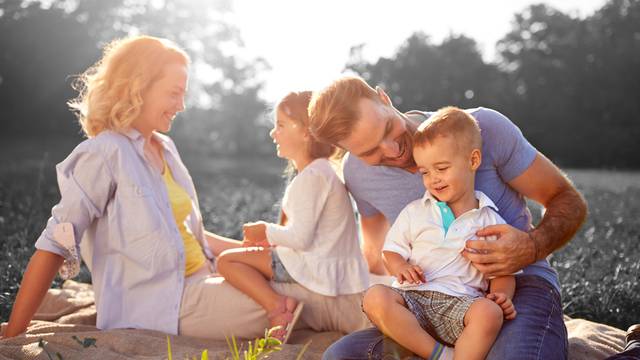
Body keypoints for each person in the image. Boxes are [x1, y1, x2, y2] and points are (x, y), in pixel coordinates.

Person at [1, 37, 369, 340]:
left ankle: (392, 305)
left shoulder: (165, 148)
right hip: (167, 302)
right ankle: (388, 313)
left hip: (204, 277)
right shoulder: (103, 153)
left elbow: (189, 236)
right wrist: (15, 332)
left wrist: (254, 249)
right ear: (138, 88)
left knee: (302, 282)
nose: (182, 105)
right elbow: (55, 244)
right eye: (174, 93)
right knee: (302, 296)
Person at [308, 76, 587, 359]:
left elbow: (567, 200)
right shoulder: (357, 173)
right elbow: (375, 252)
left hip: (516, 288)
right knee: (341, 356)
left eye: (388, 129)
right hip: (425, 298)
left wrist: (531, 246)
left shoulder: (482, 129)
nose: (393, 151)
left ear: (384, 98)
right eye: (369, 152)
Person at [362, 107, 516, 360]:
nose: (433, 179)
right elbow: (391, 251)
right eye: (425, 172)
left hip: (460, 305)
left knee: (489, 314)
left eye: (442, 168)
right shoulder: (415, 212)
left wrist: (501, 295)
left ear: (473, 160)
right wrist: (400, 266)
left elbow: (504, 271)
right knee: (375, 296)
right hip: (412, 300)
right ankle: (439, 355)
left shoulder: (489, 220)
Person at [216, 91, 369, 343]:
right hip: (325, 263)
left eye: (281, 125)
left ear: (306, 131)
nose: (273, 133)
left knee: (227, 262)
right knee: (245, 257)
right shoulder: (323, 171)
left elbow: (301, 238)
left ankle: (278, 307)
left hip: (313, 266)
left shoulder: (311, 178)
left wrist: (264, 230)